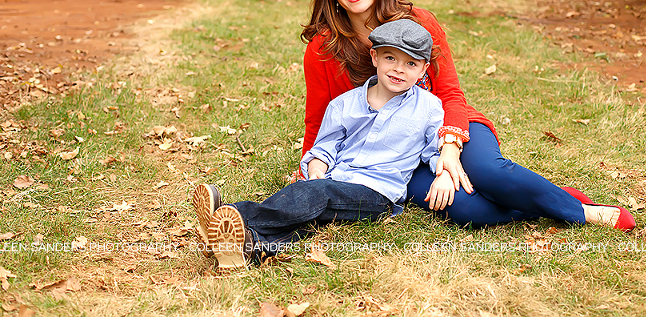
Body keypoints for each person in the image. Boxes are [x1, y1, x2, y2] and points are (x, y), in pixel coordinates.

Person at [299, 0, 636, 231]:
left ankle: (582, 212)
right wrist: (308, 170)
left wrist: (449, 147)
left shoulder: (420, 22)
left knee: (490, 175)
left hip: (448, 125)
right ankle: (542, 200)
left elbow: (449, 92)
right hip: (394, 155)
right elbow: (318, 117)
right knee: (467, 209)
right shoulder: (323, 48)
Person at [192, 19, 455, 270]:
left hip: (377, 192)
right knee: (308, 217)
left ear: (422, 70)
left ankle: (233, 215)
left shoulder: (429, 107)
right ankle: (246, 246)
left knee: (316, 196)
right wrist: (317, 165)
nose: (399, 68)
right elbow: (325, 147)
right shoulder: (344, 104)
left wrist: (443, 174)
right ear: (374, 57)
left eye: (410, 63)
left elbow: (434, 151)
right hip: (334, 178)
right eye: (390, 58)